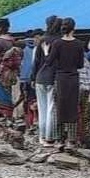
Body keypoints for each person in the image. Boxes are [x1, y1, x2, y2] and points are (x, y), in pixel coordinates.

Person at [46, 17, 85, 150]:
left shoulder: (57, 43)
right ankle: (71, 140)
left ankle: (59, 139)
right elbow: (80, 64)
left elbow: (49, 62)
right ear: (74, 28)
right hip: (73, 78)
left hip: (60, 78)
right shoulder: (79, 44)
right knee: (72, 108)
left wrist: (46, 52)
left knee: (59, 108)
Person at [32, 16, 61, 145]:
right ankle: (50, 137)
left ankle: (42, 136)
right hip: (53, 78)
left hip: (40, 77)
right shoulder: (60, 41)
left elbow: (36, 62)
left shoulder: (42, 40)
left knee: (42, 108)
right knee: (51, 108)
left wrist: (33, 77)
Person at [19, 30, 39, 128]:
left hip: (24, 77)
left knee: (26, 100)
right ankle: (36, 119)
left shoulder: (21, 46)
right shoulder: (39, 46)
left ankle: (29, 122)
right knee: (36, 99)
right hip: (35, 77)